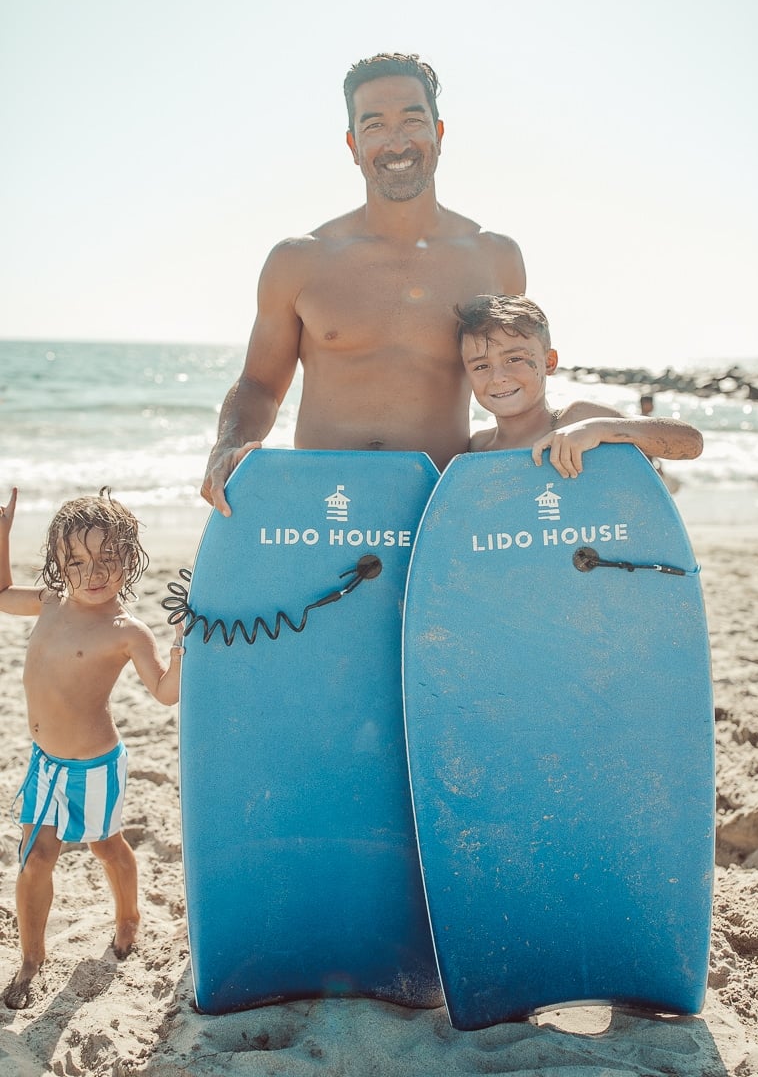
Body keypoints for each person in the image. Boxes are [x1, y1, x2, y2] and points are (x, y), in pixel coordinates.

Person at [202, 52, 526, 513]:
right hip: (322, 506)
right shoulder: (299, 261)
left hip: (436, 508)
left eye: (412, 121)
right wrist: (228, 446)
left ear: (438, 134)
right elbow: (259, 384)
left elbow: (514, 387)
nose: (396, 143)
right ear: (353, 146)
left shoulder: (496, 260)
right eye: (375, 126)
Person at [0, 487, 183, 1010]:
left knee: (107, 847)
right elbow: (1, 593)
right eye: (77, 561)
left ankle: (128, 916)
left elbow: (166, 694)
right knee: (35, 859)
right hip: (44, 764)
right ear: (59, 563)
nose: (93, 571)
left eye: (108, 558)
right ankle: (31, 957)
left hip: (97, 767)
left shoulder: (127, 631)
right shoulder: (48, 603)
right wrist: (2, 533)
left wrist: (179, 640)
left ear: (129, 557)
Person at [456, 294, 703, 471]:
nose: (498, 377)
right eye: (481, 366)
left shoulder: (578, 419)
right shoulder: (478, 448)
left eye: (515, 359)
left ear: (549, 362)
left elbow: (691, 443)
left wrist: (599, 429)